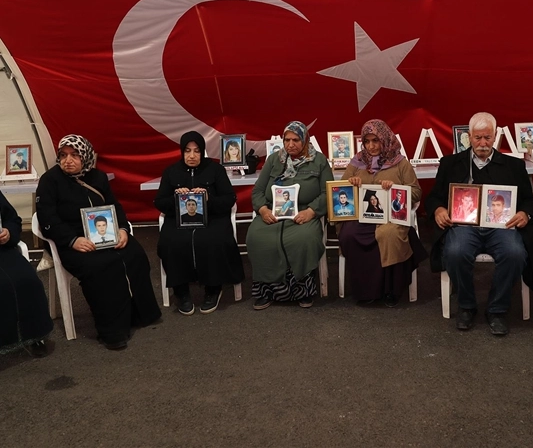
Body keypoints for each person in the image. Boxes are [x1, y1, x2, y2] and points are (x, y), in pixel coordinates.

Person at [36, 135, 160, 349]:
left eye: (74, 155)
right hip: (72, 240)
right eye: (63, 155)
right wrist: (72, 240)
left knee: (135, 254)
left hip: (104, 233)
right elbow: (47, 218)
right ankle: (112, 331)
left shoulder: (98, 177)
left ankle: (139, 314)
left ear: (85, 156)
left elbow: (114, 205)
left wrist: (122, 229)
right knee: (100, 266)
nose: (68, 160)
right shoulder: (50, 181)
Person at [426, 112, 533, 335]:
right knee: (456, 252)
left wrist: (525, 213)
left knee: (515, 253)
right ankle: (467, 305)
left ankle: (497, 309)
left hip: (502, 227)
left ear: (495, 136)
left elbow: (529, 199)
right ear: (469, 137)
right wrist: (438, 210)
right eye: (477, 138)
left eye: (487, 137)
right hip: (464, 226)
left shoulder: (513, 165)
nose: (483, 143)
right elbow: (434, 197)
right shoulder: (450, 163)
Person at [338, 119, 427, 306]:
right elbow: (340, 190)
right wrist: (351, 183)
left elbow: (416, 192)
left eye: (375, 141)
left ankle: (391, 290)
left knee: (389, 234)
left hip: (391, 217)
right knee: (349, 234)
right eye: (367, 141)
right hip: (363, 216)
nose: (371, 146)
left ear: (385, 139)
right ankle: (365, 290)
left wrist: (395, 189)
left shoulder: (400, 163)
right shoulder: (357, 162)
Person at [155, 131, 244, 316]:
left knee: (212, 239)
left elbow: (229, 198)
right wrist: (175, 199)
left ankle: (213, 288)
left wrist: (208, 198)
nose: (192, 156)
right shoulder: (171, 171)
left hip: (212, 218)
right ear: (182, 151)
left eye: (196, 151)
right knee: (172, 241)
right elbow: (159, 202)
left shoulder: (215, 170)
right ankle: (181, 291)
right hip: (179, 220)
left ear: (202, 151)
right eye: (187, 151)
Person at [247, 121, 334, 309]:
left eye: (296, 140)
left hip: (304, 213)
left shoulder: (319, 161)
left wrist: (311, 211)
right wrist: (263, 210)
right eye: (287, 140)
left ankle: (303, 291)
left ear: (305, 140)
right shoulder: (274, 160)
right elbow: (258, 191)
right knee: (257, 236)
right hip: (272, 212)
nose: (290, 144)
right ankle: (266, 291)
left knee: (304, 239)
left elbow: (328, 192)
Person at [0, 191, 53, 357]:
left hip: (2, 251)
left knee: (28, 281)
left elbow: (13, 219)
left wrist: (8, 232)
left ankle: (34, 336)